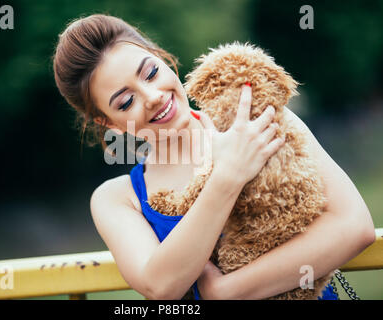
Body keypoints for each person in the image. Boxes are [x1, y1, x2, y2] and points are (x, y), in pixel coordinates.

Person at [52, 14, 375, 300]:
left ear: (163, 60)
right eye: (125, 102)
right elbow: (161, 286)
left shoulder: (258, 118)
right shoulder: (118, 198)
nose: (152, 97)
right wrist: (228, 177)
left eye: (150, 73)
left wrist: (227, 291)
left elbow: (354, 227)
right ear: (107, 122)